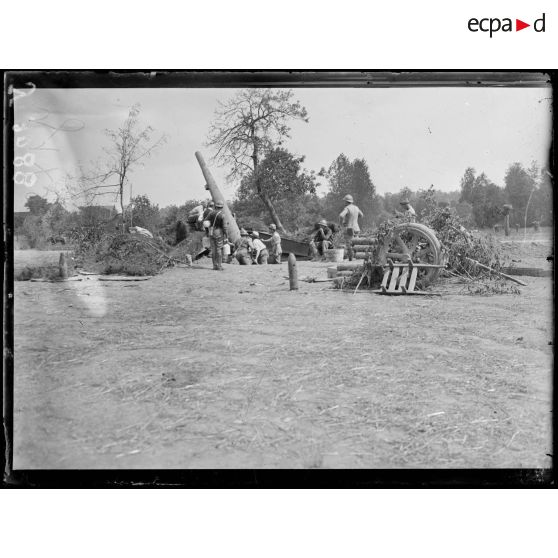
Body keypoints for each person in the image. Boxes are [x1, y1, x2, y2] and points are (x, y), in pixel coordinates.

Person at [339, 194, 363, 262]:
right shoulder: (356, 208)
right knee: (356, 244)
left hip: (349, 229)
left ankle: (350, 260)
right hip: (356, 229)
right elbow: (361, 215)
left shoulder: (347, 208)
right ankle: (357, 259)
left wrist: (341, 224)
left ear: (346, 202)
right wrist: (354, 218)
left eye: (344, 201)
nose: (344, 203)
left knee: (349, 245)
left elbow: (341, 216)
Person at [205, 201, 227, 270]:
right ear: (222, 207)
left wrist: (207, 232)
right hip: (219, 232)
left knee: (213, 249)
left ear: (215, 206)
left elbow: (205, 222)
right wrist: (226, 235)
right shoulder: (222, 215)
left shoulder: (210, 213)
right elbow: (225, 227)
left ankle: (214, 266)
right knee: (219, 249)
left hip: (211, 232)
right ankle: (219, 266)